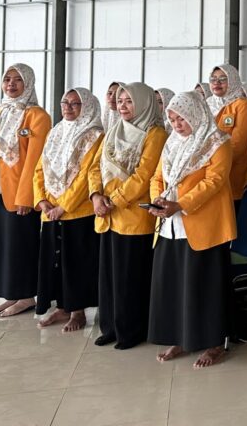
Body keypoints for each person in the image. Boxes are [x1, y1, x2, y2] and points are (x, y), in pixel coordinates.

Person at [147, 90, 236, 369]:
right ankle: (180, 338)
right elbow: (157, 176)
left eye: (182, 118)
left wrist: (180, 204)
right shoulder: (172, 142)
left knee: (205, 286)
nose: (177, 124)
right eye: (173, 119)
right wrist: (158, 199)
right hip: (170, 225)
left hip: (204, 225)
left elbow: (214, 181)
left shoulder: (218, 142)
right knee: (173, 284)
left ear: (196, 114)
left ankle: (214, 344)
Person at [88, 82, 167, 350]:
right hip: (107, 215)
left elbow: (144, 175)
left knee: (130, 278)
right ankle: (110, 327)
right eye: (120, 100)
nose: (122, 106)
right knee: (109, 277)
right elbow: (95, 167)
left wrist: (114, 201)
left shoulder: (155, 134)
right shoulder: (114, 130)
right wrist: (96, 196)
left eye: (129, 101)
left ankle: (131, 331)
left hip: (133, 217)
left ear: (144, 103)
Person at [0, 64, 51, 318]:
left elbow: (35, 161)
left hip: (21, 194)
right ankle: (11, 294)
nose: (11, 84)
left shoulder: (37, 116)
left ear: (28, 83)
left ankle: (26, 296)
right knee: (3, 244)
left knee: (21, 244)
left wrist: (26, 196)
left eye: (18, 80)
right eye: (7, 79)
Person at [33, 88, 104, 332]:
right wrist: (42, 200)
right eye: (65, 102)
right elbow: (40, 167)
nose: (68, 107)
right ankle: (62, 308)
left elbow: (86, 176)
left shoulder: (95, 135)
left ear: (88, 107)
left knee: (76, 263)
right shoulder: (56, 131)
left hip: (78, 212)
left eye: (75, 104)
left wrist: (64, 206)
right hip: (50, 210)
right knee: (55, 262)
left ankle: (78, 312)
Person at [205, 63, 247, 202]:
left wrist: (213, 164)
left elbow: (238, 144)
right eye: (213, 79)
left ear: (233, 80)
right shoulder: (206, 104)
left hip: (230, 174)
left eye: (223, 79)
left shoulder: (243, 105)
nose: (217, 83)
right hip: (204, 175)